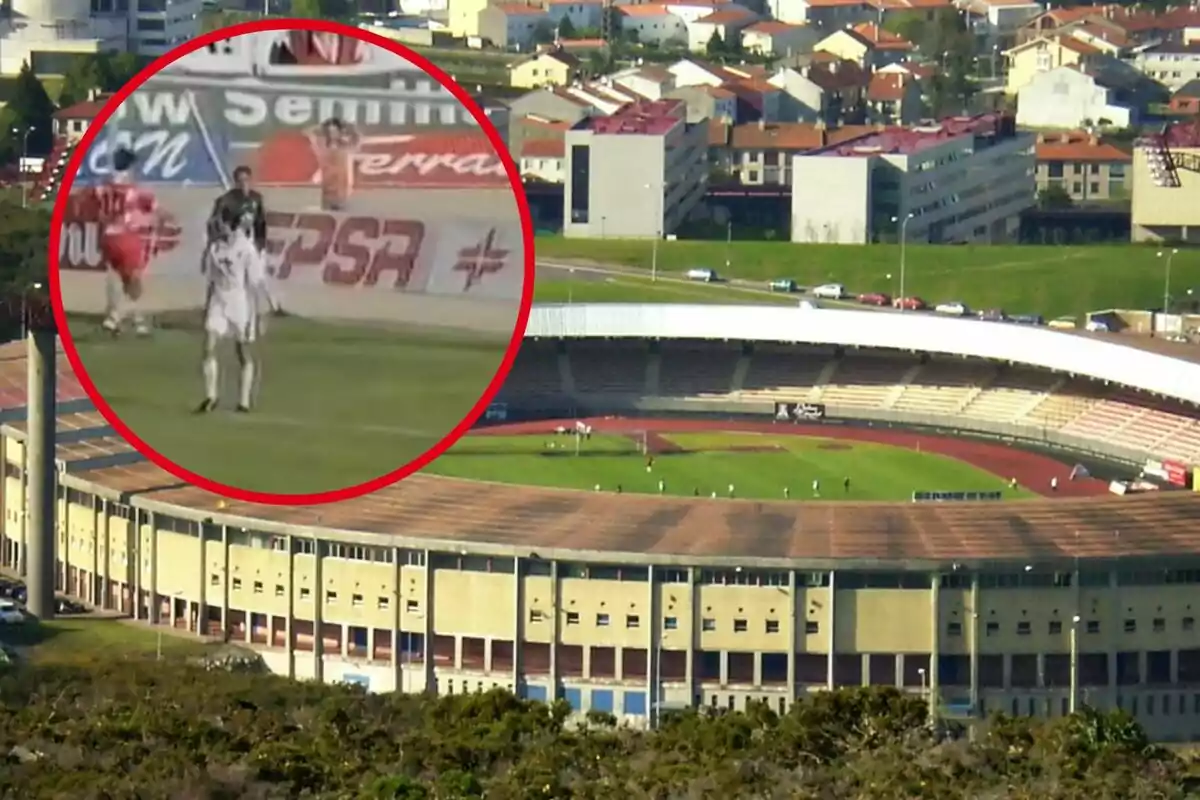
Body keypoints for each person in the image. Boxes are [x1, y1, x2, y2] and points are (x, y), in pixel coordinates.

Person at [195, 206, 263, 414]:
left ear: (229, 224)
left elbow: (254, 283)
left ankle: (243, 401)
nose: (218, 225)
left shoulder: (246, 249)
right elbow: (209, 277)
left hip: (239, 303)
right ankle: (210, 396)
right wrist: (207, 305)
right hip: (218, 300)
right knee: (209, 345)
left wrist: (257, 314)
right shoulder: (215, 248)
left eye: (221, 222)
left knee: (242, 352)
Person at [97, 147, 162, 337]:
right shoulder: (132, 188)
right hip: (126, 237)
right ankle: (115, 317)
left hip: (107, 237)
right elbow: (152, 206)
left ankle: (136, 320)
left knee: (123, 280)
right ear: (131, 165)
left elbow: (97, 209)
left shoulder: (104, 186)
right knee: (135, 281)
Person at [207, 166, 282, 317]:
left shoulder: (256, 198)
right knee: (224, 278)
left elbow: (260, 222)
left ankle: (270, 306)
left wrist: (261, 243)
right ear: (235, 182)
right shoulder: (226, 200)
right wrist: (218, 238)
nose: (243, 184)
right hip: (230, 245)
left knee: (257, 278)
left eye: (246, 180)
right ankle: (211, 307)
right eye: (240, 181)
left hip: (250, 243)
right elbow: (214, 221)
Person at [309, 117, 360, 211]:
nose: (332, 134)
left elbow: (356, 140)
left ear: (340, 132)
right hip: (328, 188)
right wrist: (321, 127)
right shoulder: (323, 147)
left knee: (342, 214)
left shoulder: (346, 147)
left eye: (335, 131)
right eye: (329, 131)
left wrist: (351, 128)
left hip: (342, 189)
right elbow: (312, 135)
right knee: (327, 215)